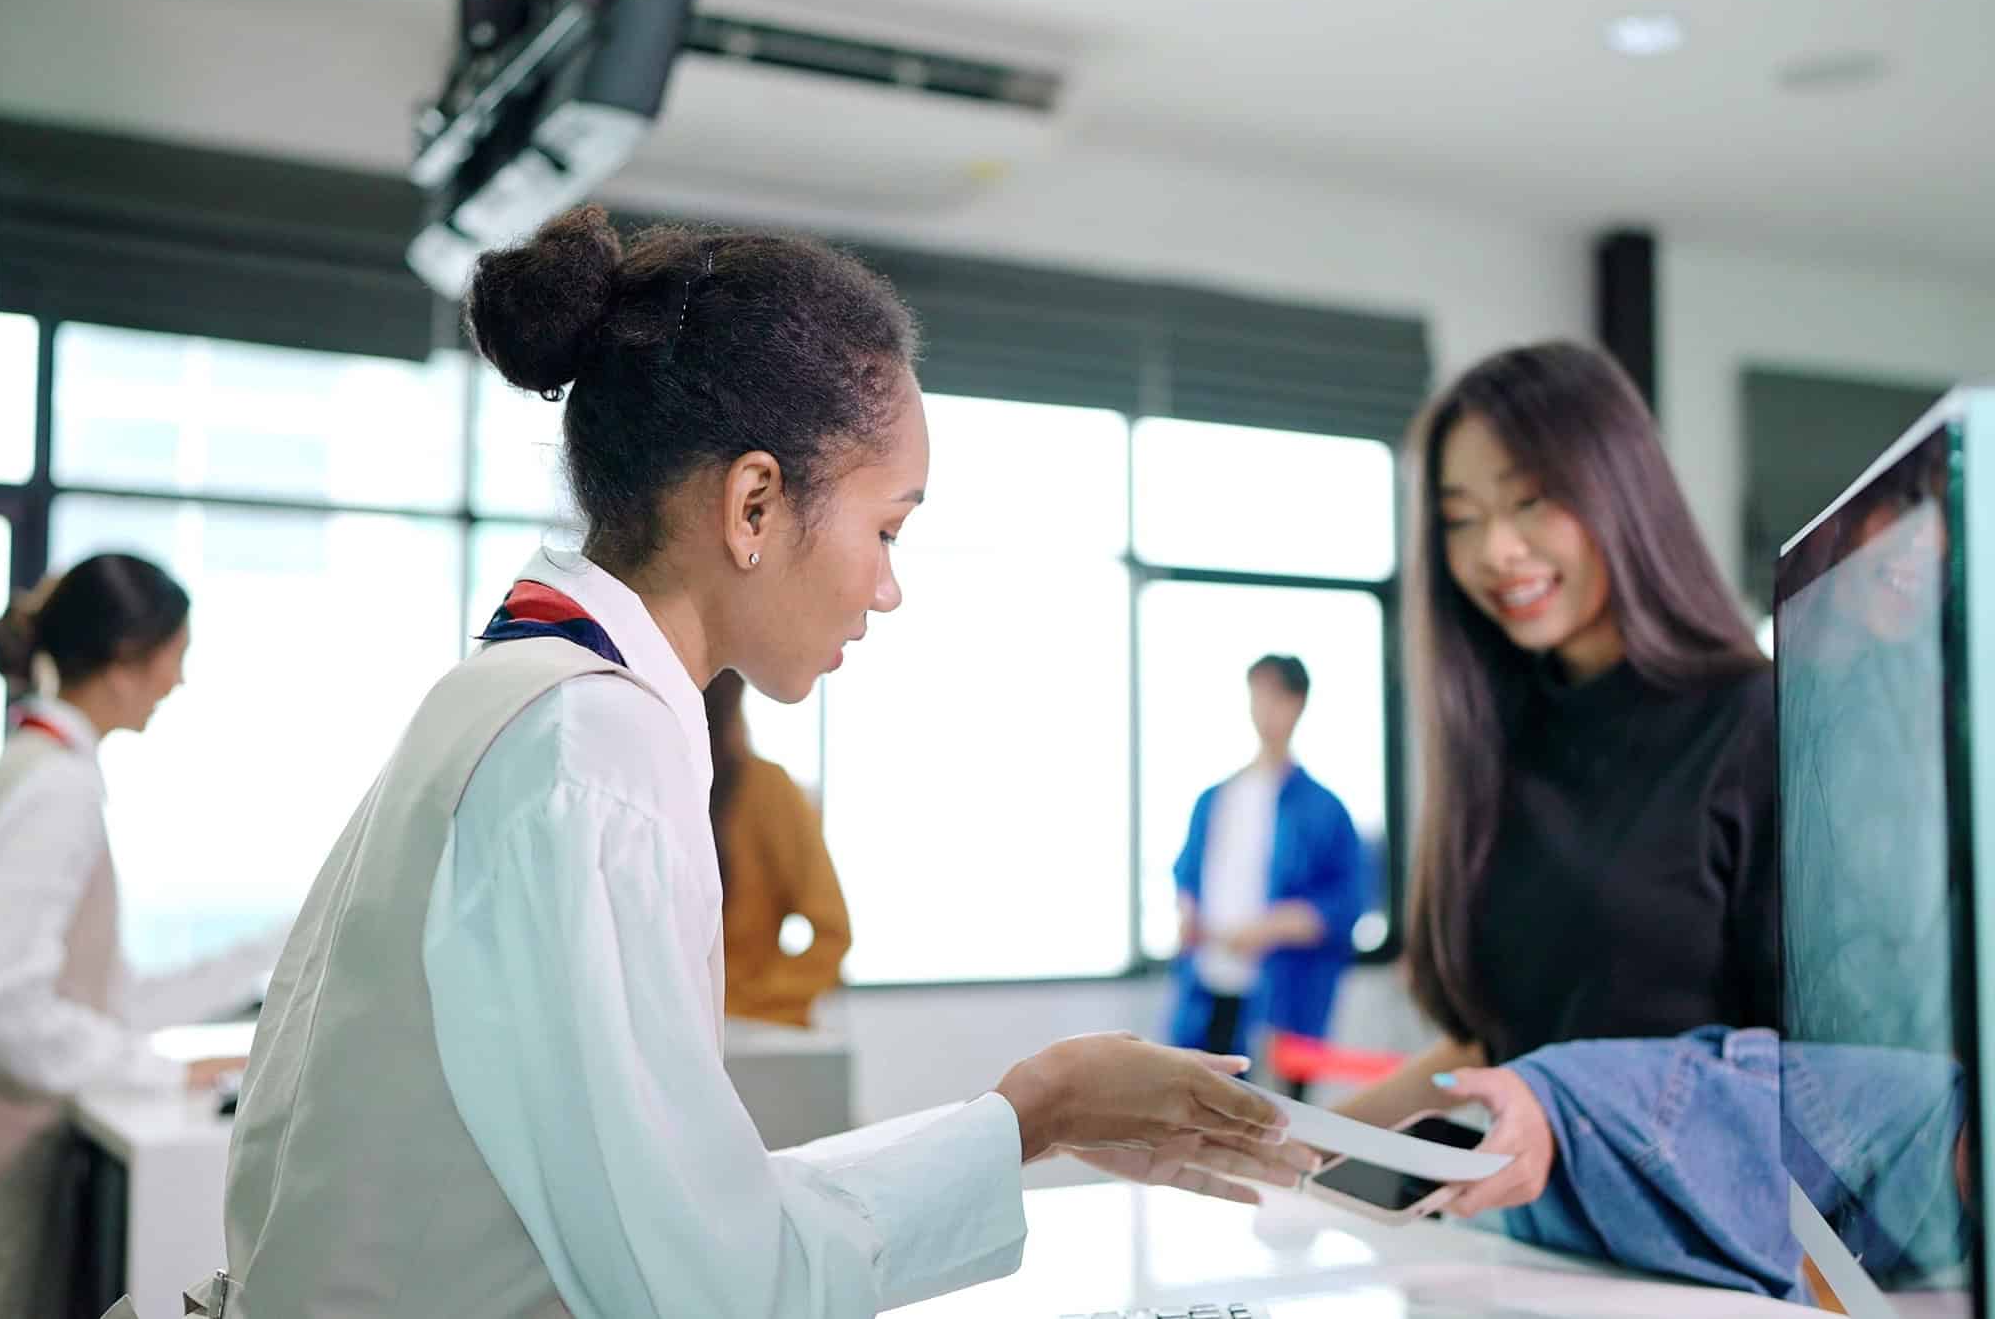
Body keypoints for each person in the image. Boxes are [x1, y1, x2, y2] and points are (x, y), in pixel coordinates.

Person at [221, 207, 1316, 1319]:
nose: (888, 587)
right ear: (753, 505)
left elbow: (694, 1221)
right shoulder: (598, 750)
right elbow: (715, 1286)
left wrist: (1029, 1122)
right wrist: (1037, 1111)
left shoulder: (523, 696)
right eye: (886, 529)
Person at [1333, 341, 1777, 1221]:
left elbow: (1818, 1068)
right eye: (1460, 519)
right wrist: (1286, 1137)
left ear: (1620, 488)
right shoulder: (1501, 739)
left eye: (1530, 499)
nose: (1496, 550)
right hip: (1541, 1244)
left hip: (1706, 1247)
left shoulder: (1757, 720)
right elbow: (1500, 1042)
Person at [0, 555, 261, 1313]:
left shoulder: (39, 762)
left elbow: (101, 993)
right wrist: (161, 1074)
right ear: (125, 659)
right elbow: (9, 1007)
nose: (178, 680)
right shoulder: (59, 787)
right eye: (176, 655)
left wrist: (262, 954)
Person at [1166, 654, 1368, 1095]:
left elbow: (1346, 903)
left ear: (1299, 704)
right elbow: (1186, 875)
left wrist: (1273, 927)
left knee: (1276, 1115)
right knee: (1201, 1104)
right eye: (1257, 696)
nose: (1265, 709)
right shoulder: (1215, 799)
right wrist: (1187, 914)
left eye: (1277, 697)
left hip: (1282, 1001)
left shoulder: (1323, 809)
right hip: (1210, 987)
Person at [704, 668, 853, 1027]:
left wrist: (754, 1008)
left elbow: (831, 931)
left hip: (748, 1032)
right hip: (669, 1029)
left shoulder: (765, 789)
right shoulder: (646, 788)